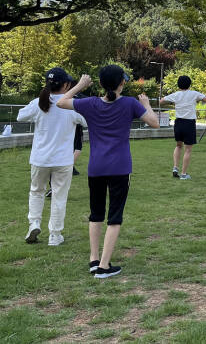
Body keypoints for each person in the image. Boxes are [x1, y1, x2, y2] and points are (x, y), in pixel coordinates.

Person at [57, 65, 159, 278]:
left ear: (101, 84)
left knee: (96, 214)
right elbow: (155, 123)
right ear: (122, 83)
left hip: (96, 167)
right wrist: (147, 104)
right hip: (120, 168)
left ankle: (94, 260)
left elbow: (61, 101)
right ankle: (103, 267)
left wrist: (79, 86)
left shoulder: (90, 103)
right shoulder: (130, 104)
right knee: (114, 216)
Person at [17, 67, 87, 246]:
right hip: (63, 160)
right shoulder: (71, 106)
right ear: (65, 85)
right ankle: (55, 235)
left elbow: (20, 116)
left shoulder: (39, 103)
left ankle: (34, 223)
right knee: (59, 196)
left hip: (40, 158)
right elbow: (87, 121)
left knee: (36, 191)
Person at [160, 75, 206, 180]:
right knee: (188, 150)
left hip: (178, 123)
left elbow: (161, 101)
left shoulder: (176, 94)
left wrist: (174, 101)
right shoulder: (194, 94)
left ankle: (175, 167)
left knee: (178, 146)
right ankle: (183, 174)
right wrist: (197, 99)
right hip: (189, 123)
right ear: (189, 84)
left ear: (178, 85)